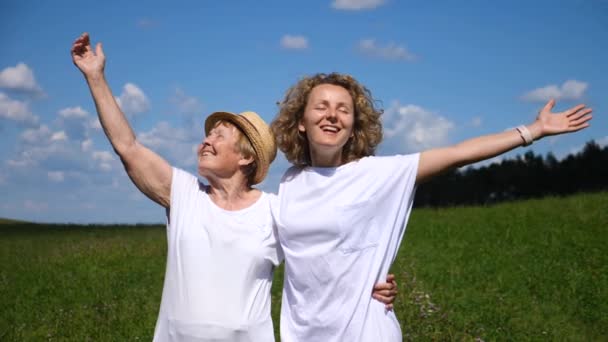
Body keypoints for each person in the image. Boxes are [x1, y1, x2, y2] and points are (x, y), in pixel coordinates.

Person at [71, 34, 397, 341]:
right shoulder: (184, 196)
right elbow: (128, 147)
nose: (205, 141)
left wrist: (373, 284)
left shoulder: (274, 211)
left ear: (245, 157)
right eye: (208, 135)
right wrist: (95, 77)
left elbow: (324, 258)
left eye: (219, 136)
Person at [270, 72, 593, 341]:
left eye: (343, 109)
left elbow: (457, 153)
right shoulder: (288, 182)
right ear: (301, 121)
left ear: (354, 125)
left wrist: (532, 131)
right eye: (321, 107)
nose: (331, 115)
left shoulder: (378, 175)